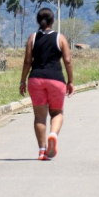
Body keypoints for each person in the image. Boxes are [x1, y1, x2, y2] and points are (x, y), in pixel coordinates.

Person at [19, 8, 74, 161]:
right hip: (56, 80)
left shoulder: (33, 38)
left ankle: (42, 151)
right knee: (57, 113)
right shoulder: (60, 38)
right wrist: (70, 81)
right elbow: (68, 61)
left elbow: (27, 61)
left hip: (35, 80)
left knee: (39, 117)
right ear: (53, 20)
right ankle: (53, 134)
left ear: (38, 21)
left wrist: (23, 81)